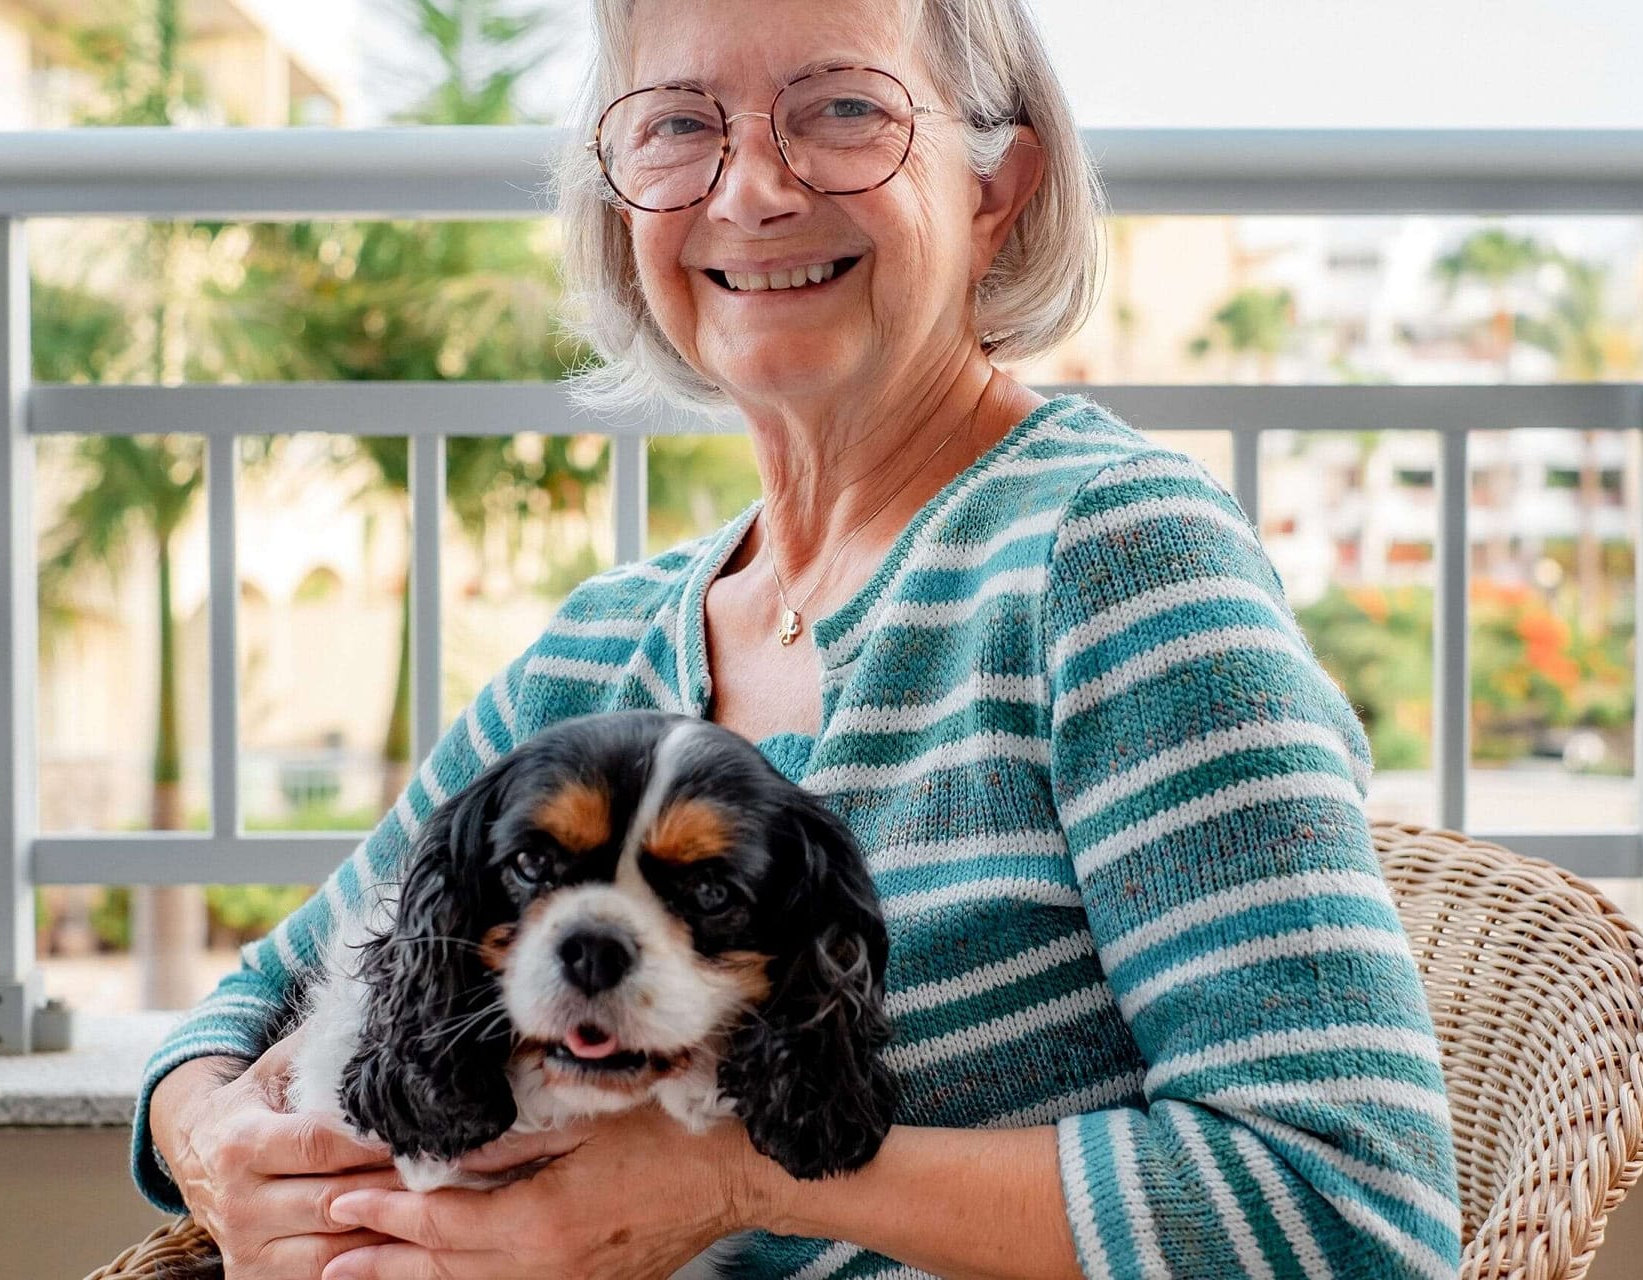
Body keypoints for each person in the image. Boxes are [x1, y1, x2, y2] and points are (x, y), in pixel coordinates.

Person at [135, 0, 1462, 1275]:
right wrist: (221, 1152)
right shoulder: (598, 651)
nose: (753, 191)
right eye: (678, 124)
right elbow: (250, 1008)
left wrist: (729, 1180)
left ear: (996, 188)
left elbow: (1351, 1211)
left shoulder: (1111, 559)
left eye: (840, 110)